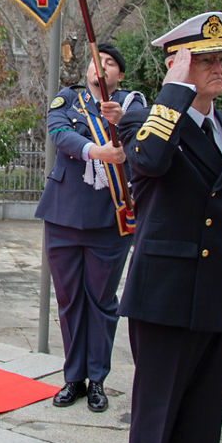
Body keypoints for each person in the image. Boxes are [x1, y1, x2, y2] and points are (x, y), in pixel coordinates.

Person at [118, 12, 222, 443]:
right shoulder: (145, 120)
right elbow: (149, 162)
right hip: (166, 295)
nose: (218, 68)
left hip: (218, 293)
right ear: (176, 65)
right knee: (157, 421)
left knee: (202, 423)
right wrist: (174, 93)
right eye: (205, 60)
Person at [37, 43, 142, 413]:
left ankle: (97, 379)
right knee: (69, 301)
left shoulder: (131, 104)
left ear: (120, 75)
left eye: (111, 63)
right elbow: (59, 134)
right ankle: (73, 377)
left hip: (109, 219)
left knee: (101, 301)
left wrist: (121, 122)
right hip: (64, 215)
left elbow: (143, 136)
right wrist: (98, 151)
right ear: (87, 71)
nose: (102, 67)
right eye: (98, 62)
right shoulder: (68, 100)